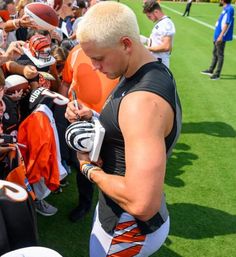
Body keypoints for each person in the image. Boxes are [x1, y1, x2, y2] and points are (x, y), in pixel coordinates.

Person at [65, 2, 182, 256]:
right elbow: (128, 127)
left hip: (126, 229)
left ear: (126, 44)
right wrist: (95, 116)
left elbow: (142, 203)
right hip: (124, 217)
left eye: (98, 58)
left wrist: (87, 168)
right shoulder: (147, 68)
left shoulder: (141, 104)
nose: (94, 66)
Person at [59, 43, 118, 222]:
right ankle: (84, 204)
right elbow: (66, 82)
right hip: (81, 122)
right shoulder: (76, 51)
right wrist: (65, 107)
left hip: (111, 124)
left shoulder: (118, 54)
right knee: (82, 166)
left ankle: (114, 206)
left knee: (113, 166)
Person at [201, 0, 234, 80]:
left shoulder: (230, 9)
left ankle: (217, 74)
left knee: (220, 54)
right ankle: (211, 70)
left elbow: (227, 23)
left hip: (221, 36)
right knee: (215, 53)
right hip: (217, 35)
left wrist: (221, 36)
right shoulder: (225, 8)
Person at [142, 0, 175, 68]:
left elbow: (166, 47)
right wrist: (147, 40)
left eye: (149, 16)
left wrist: (147, 49)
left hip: (160, 63)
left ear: (156, 12)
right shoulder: (161, 22)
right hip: (156, 61)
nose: (149, 19)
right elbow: (158, 41)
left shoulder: (166, 24)